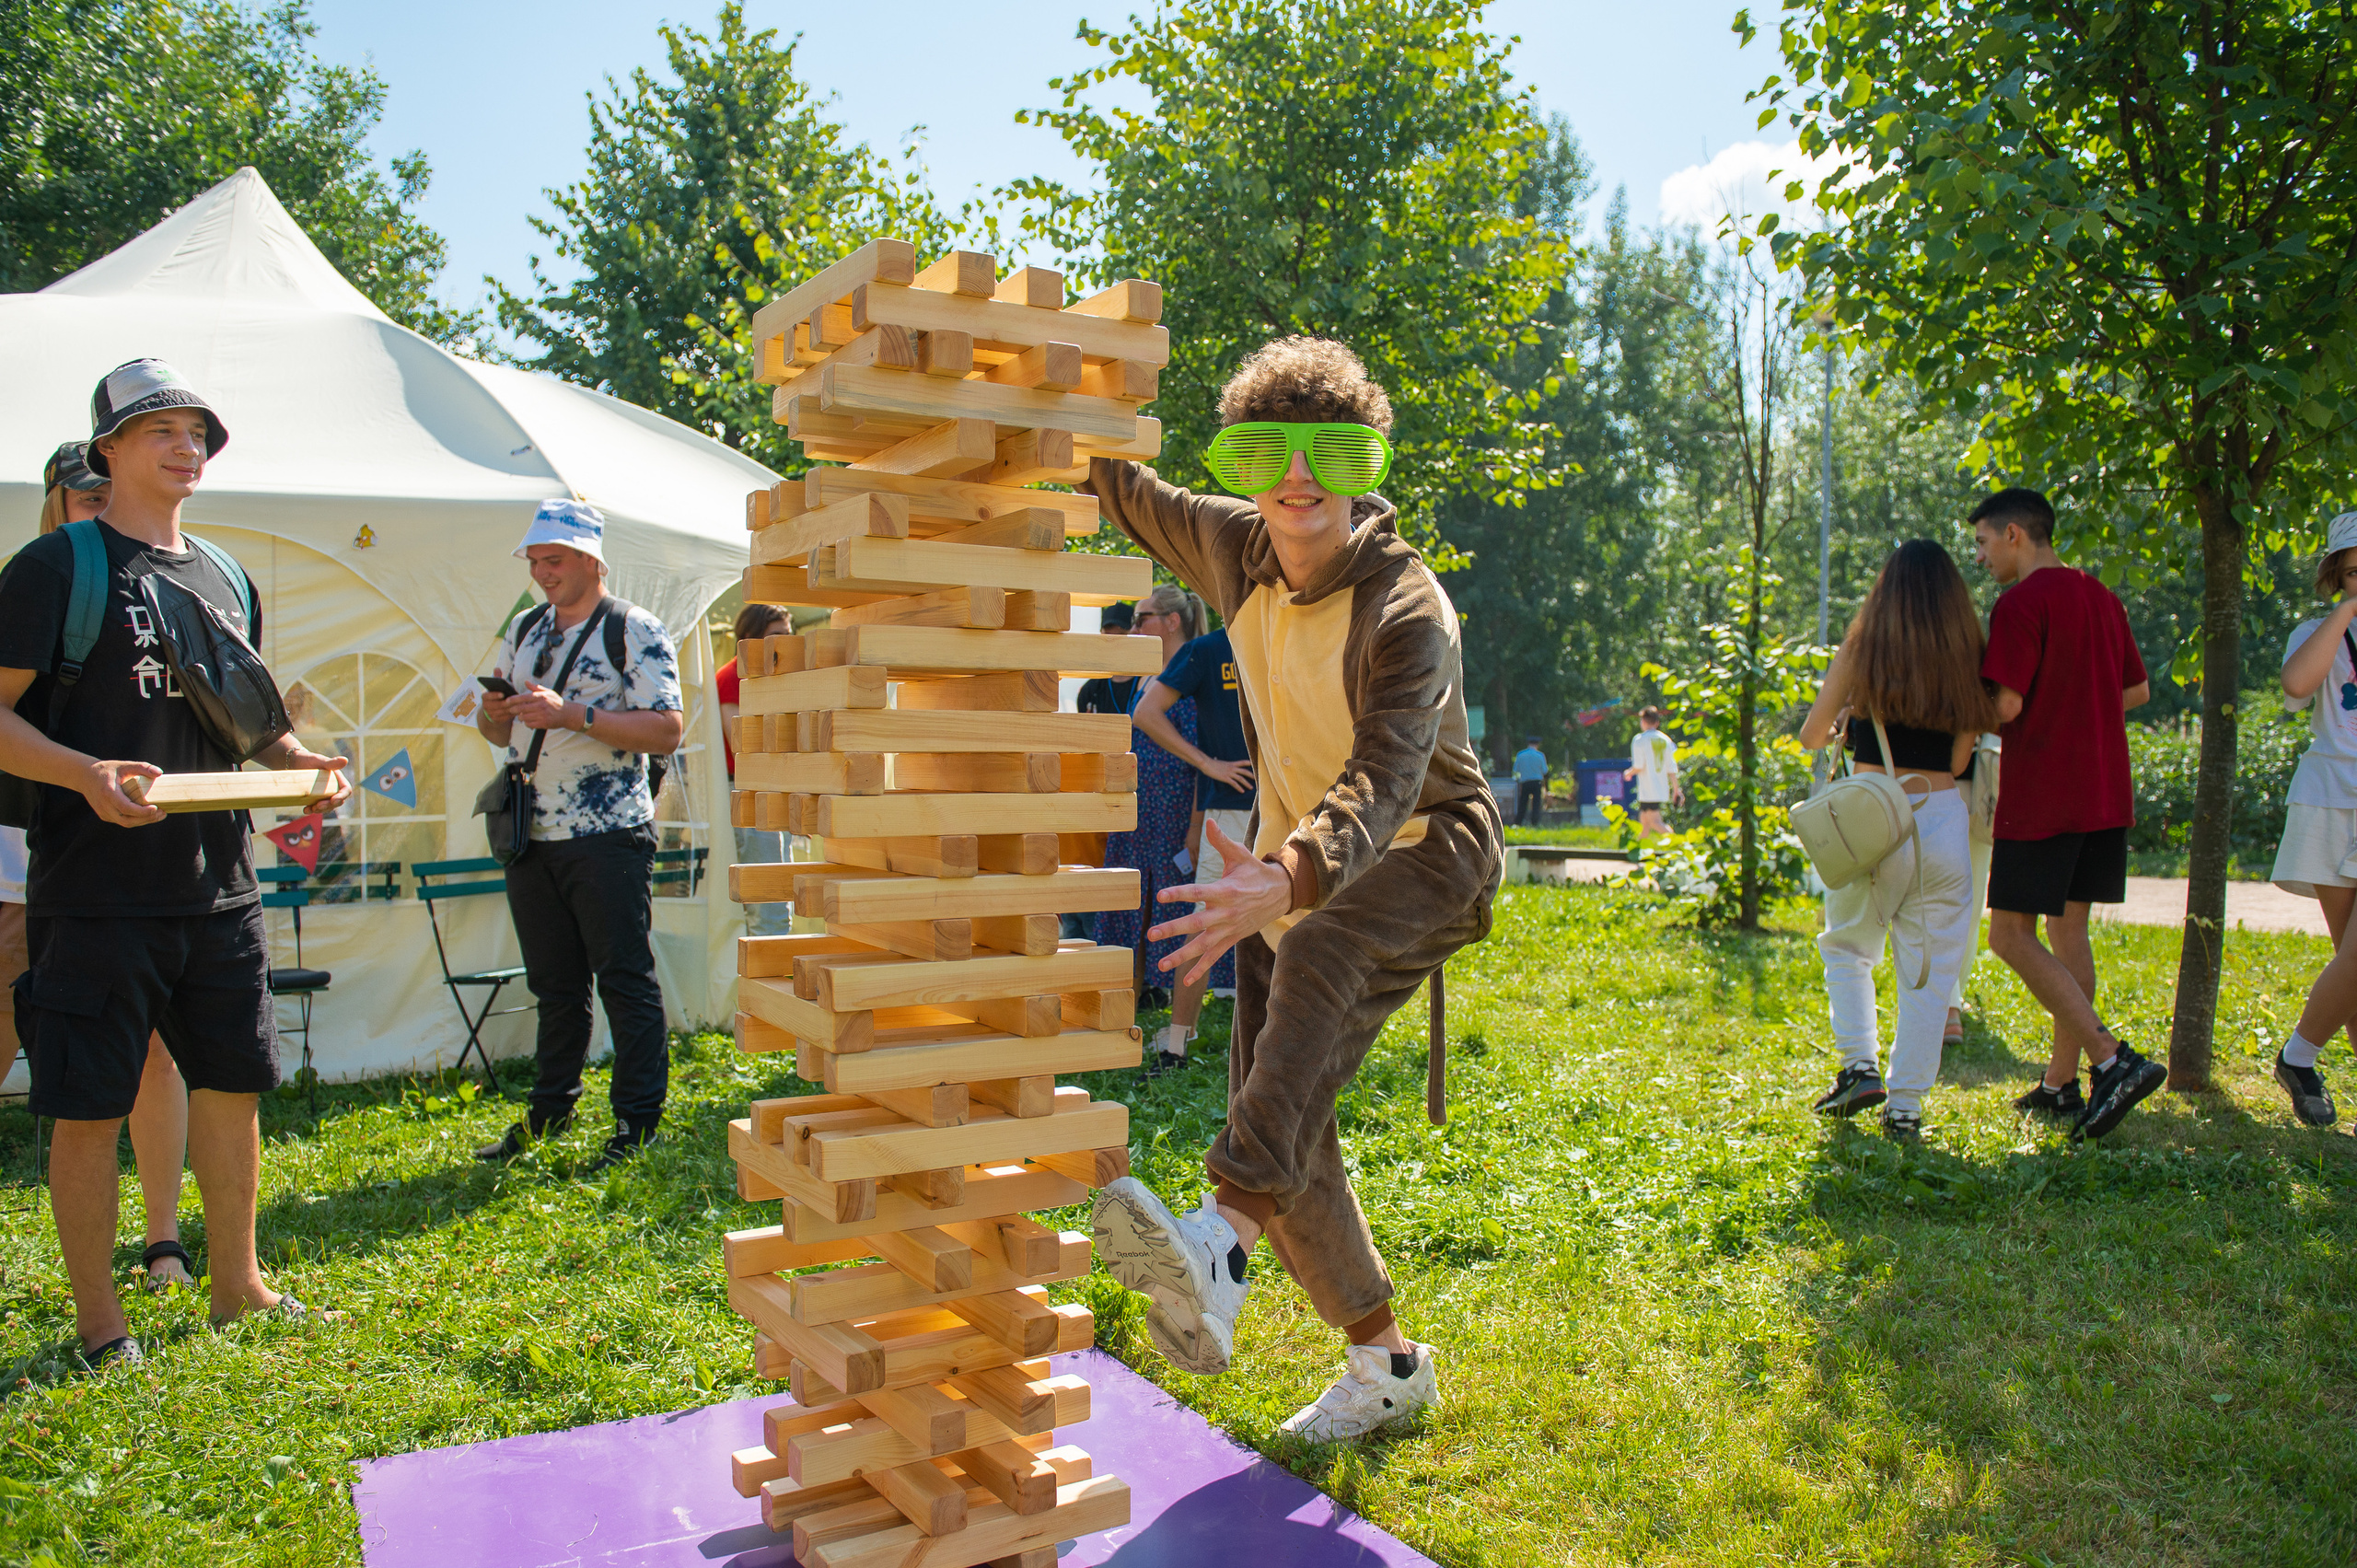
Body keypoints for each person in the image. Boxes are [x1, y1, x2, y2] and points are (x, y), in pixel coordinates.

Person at [1085, 336, 1501, 1441]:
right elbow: (1128, 491)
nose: (1299, 477)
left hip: (1426, 850)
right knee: (1289, 1116)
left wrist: (1287, 877)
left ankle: (1220, 1238)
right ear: (1244, 462)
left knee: (1315, 960)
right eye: (1269, 449)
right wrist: (1056, 407)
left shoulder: (1409, 608)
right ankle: (1385, 1365)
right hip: (1284, 868)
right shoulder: (1234, 545)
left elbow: (1386, 770)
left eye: (1331, 449)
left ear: (1365, 462)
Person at [0, 360, 354, 1366]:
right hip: (94, 893)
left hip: (219, 887)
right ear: (107, 449)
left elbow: (251, 726)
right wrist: (81, 773)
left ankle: (238, 1286)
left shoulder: (228, 575)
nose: (185, 445)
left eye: (198, 430)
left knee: (233, 1083)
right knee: (89, 1105)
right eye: (159, 428)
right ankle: (100, 1321)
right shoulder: (56, 567)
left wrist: (305, 767)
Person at [12, 443, 198, 1291]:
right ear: (55, 501)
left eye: (103, 494)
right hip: (22, 867)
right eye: (81, 495)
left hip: (123, 872)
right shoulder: (34, 582)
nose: (97, 506)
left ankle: (164, 1240)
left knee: (152, 1055)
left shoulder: (161, 582)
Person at [472, 501, 684, 1173]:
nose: (541, 572)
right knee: (554, 982)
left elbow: (668, 730)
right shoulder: (526, 627)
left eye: (553, 559)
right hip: (531, 832)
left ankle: (637, 1121)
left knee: (624, 976)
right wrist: (492, 710)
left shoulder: (633, 628)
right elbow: (497, 734)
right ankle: (551, 1110)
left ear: (593, 559)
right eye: (534, 561)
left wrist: (575, 714)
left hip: (608, 834)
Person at [1972, 487, 2168, 1139]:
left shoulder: (2022, 602)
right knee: (2069, 932)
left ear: (2014, 536)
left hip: (2046, 796)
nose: (1981, 556)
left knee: (2008, 936)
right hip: (2105, 792)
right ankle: (2061, 1083)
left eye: (1982, 542)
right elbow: (2135, 688)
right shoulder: (2100, 596)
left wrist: (1953, 709)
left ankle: (2112, 1059)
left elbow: (2005, 706)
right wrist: (2082, 706)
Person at [1798, 541, 1997, 1142]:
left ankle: (1859, 1066)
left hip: (1870, 814)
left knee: (1848, 947)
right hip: (1939, 815)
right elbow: (1964, 755)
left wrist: (1847, 719)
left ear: (1884, 592)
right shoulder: (1970, 653)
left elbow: (1812, 735)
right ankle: (1906, 1105)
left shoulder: (1863, 649)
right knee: (1929, 967)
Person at [2261, 510, 2357, 1128]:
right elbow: (2296, 683)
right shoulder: (2314, 631)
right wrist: (2346, 612)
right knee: (2351, 960)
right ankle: (2299, 1061)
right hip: (2329, 799)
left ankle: (2298, 1056)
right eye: (2350, 569)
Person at [1132, 621, 1253, 1072]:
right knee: (1203, 928)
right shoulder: (1208, 649)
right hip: (1231, 810)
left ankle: (1293, 1048)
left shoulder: (1294, 629)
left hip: (1298, 808)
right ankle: (1175, 1047)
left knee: (1299, 927)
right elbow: (1146, 712)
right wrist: (1209, 764)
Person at [1094, 585, 1208, 1013]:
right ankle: (1120, 1003)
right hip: (1134, 808)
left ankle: (1170, 1011)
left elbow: (1205, 758)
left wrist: (1195, 829)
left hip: (1174, 811)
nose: (1134, 627)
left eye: (1142, 619)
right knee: (1124, 906)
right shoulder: (1143, 672)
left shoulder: (1194, 672)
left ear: (1172, 621)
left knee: (1164, 910)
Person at [718, 602, 793, 937]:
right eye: (777, 635)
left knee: (780, 899)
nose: (786, 643)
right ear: (750, 637)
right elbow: (742, 744)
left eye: (789, 635)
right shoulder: (733, 677)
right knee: (769, 907)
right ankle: (766, 980)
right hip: (750, 793)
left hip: (774, 790)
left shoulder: (777, 677)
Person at [1074, 602, 1141, 716]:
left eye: (1121, 636)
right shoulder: (1090, 690)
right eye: (1108, 636)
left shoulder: (1148, 685)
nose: (1114, 642)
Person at [1623, 707, 1681, 836]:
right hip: (1660, 788)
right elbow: (1671, 767)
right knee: (1644, 821)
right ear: (1657, 722)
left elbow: (1639, 766)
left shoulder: (1639, 740)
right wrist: (1676, 789)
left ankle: (1679, 847)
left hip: (1648, 789)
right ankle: (1639, 852)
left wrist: (1628, 773)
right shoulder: (1665, 740)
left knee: (1655, 822)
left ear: (1643, 721)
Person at [1511, 738, 1548, 828]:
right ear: (1537, 744)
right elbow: (1545, 770)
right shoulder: (1540, 755)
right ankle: (1535, 822)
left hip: (1525, 782)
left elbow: (1516, 769)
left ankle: (1519, 822)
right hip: (1536, 782)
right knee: (1536, 803)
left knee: (1523, 802)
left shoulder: (1520, 755)